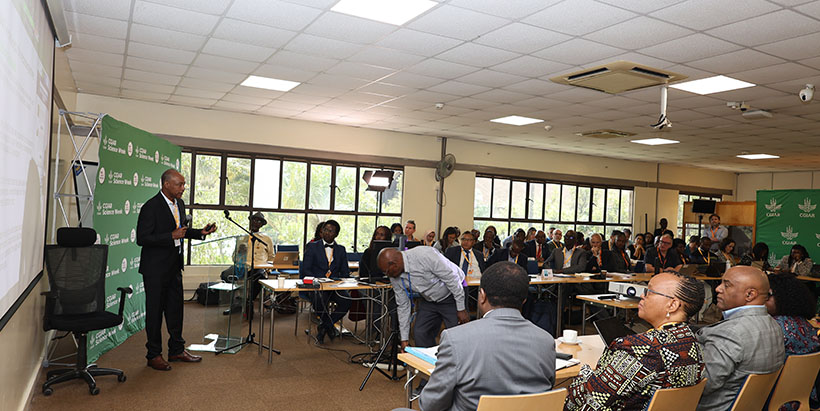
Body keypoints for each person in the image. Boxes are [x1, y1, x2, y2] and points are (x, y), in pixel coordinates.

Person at [417, 263, 556, 411]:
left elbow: (430, 405)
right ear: (524, 300)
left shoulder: (455, 339)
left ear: (482, 296)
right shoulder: (547, 341)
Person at [565, 272, 705, 410]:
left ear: (672, 305)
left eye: (649, 292)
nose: (642, 296)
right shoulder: (693, 342)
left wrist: (585, 372)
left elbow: (586, 397)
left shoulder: (642, 348)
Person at [137, 169, 217, 371]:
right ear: (166, 184)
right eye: (179, 184)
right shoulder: (151, 207)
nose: (183, 188)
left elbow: (181, 231)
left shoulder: (179, 204)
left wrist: (200, 232)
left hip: (174, 266)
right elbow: (142, 238)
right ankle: (153, 354)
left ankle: (176, 350)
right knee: (155, 313)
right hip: (155, 270)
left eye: (183, 184)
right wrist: (170, 236)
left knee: (175, 311)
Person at [696, 266, 785, 410]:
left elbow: (703, 385)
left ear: (750, 294)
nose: (718, 289)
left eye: (726, 285)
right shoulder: (774, 325)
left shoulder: (729, 332)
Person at [378, 246, 468, 359]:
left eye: (387, 272)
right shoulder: (394, 276)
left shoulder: (424, 255)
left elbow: (452, 278)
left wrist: (461, 308)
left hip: (452, 295)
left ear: (394, 264)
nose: (387, 275)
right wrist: (404, 339)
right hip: (429, 299)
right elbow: (403, 305)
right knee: (420, 332)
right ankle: (430, 365)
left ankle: (459, 367)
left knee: (456, 336)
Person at [765, 274, 820, 411]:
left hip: (773, 400)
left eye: (767, 295)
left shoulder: (776, 327)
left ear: (783, 298)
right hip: (802, 398)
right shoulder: (805, 325)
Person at [299, 219, 352, 344]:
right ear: (322, 231)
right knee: (319, 299)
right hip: (317, 286)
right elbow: (306, 269)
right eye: (326, 230)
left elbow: (345, 272)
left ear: (336, 234)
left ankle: (324, 326)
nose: (328, 233)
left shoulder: (341, 249)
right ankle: (328, 326)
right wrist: (317, 281)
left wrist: (340, 281)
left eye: (331, 231)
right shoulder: (312, 247)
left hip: (334, 287)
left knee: (347, 301)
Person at [229, 212, 274, 317]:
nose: (255, 222)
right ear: (250, 221)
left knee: (260, 276)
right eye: (253, 220)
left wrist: (269, 269)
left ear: (261, 224)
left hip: (259, 268)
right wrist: (239, 253)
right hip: (243, 268)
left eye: (258, 221)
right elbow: (234, 258)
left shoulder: (266, 239)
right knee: (226, 274)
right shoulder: (242, 238)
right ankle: (235, 303)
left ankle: (249, 301)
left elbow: (272, 257)